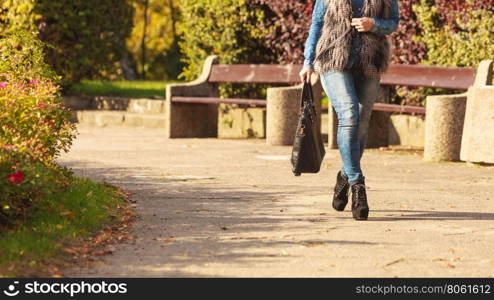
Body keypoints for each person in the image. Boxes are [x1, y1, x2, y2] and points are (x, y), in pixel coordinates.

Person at [299, 0, 399, 220]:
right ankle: (357, 185)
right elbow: (316, 24)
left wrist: (374, 25)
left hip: (370, 62)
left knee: (361, 125)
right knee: (349, 114)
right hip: (332, 58)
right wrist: (307, 62)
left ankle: (345, 174)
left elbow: (393, 23)